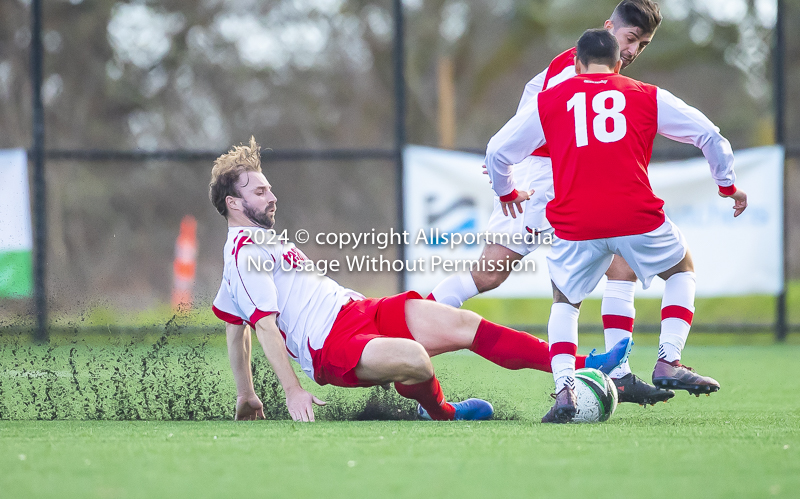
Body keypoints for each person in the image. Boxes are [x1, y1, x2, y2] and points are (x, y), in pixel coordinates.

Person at [208, 138, 631, 422]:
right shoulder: (245, 253)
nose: (272, 196)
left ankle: (579, 367)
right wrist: (291, 390)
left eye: (268, 188)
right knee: (415, 359)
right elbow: (260, 325)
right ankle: (440, 412)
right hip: (331, 348)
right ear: (234, 203)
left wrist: (246, 394)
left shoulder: (261, 241)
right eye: (260, 192)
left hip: (357, 311)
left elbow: (233, 328)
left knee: (464, 324)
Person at [484, 29, 747, 423]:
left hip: (575, 222)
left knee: (565, 303)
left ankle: (564, 392)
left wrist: (506, 193)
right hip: (635, 215)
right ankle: (668, 360)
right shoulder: (646, 94)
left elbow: (497, 151)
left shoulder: (550, 100)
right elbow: (710, 135)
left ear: (576, 65)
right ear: (618, 63)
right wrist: (727, 186)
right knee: (682, 270)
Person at [429, 0, 671, 406]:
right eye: (630, 39)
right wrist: (505, 161)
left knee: (621, 264)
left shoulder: (601, 73)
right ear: (609, 27)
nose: (632, 51)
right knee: (490, 273)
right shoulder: (572, 68)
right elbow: (533, 122)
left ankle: (621, 374)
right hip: (542, 179)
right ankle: (413, 322)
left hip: (556, 177)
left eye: (642, 45)